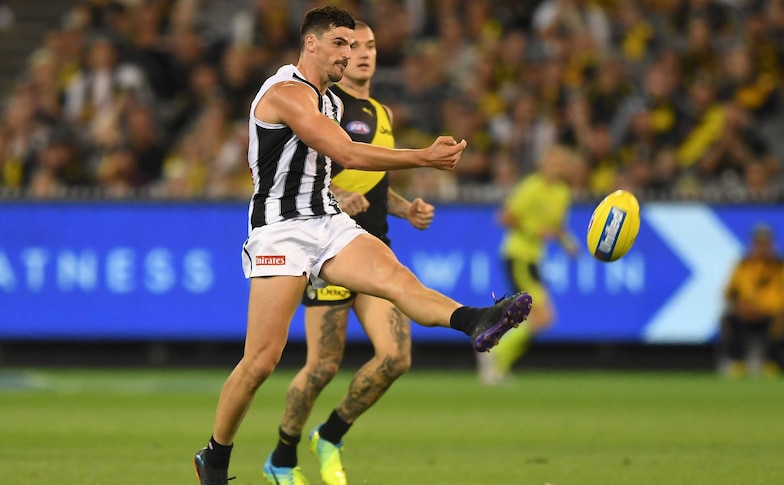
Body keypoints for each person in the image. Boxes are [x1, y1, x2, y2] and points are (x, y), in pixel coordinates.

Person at [193, 7, 533, 485]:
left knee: (395, 278)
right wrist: (423, 157)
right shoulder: (287, 93)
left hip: (326, 222)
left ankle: (476, 320)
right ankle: (215, 458)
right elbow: (346, 153)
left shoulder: (331, 103)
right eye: (339, 44)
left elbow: (327, 174)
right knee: (262, 360)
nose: (348, 55)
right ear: (311, 44)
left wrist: (384, 204)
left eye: (354, 46)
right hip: (280, 230)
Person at [261, 21, 434, 485]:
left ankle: (331, 434)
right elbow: (303, 168)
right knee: (322, 366)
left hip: (373, 247)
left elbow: (375, 183)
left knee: (397, 357)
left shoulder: (382, 111)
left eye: (372, 45)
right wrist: (334, 190)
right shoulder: (323, 105)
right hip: (326, 247)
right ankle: (281, 457)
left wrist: (403, 209)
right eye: (352, 45)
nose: (363, 53)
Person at [477, 144, 579, 386]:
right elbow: (504, 217)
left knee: (539, 319)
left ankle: (496, 362)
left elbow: (557, 227)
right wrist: (535, 231)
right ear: (543, 164)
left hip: (534, 259)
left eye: (560, 162)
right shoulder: (531, 187)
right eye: (552, 161)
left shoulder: (562, 192)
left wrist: (568, 244)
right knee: (542, 316)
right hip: (518, 256)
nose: (556, 166)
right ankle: (492, 352)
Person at [720, 224, 784, 378]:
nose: (762, 248)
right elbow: (729, 292)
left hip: (771, 313)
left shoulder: (781, 266)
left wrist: (769, 307)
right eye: (759, 244)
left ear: (772, 245)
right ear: (752, 244)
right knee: (730, 320)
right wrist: (740, 306)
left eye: (766, 244)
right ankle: (738, 364)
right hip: (745, 313)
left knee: (779, 323)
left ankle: (772, 365)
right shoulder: (742, 265)